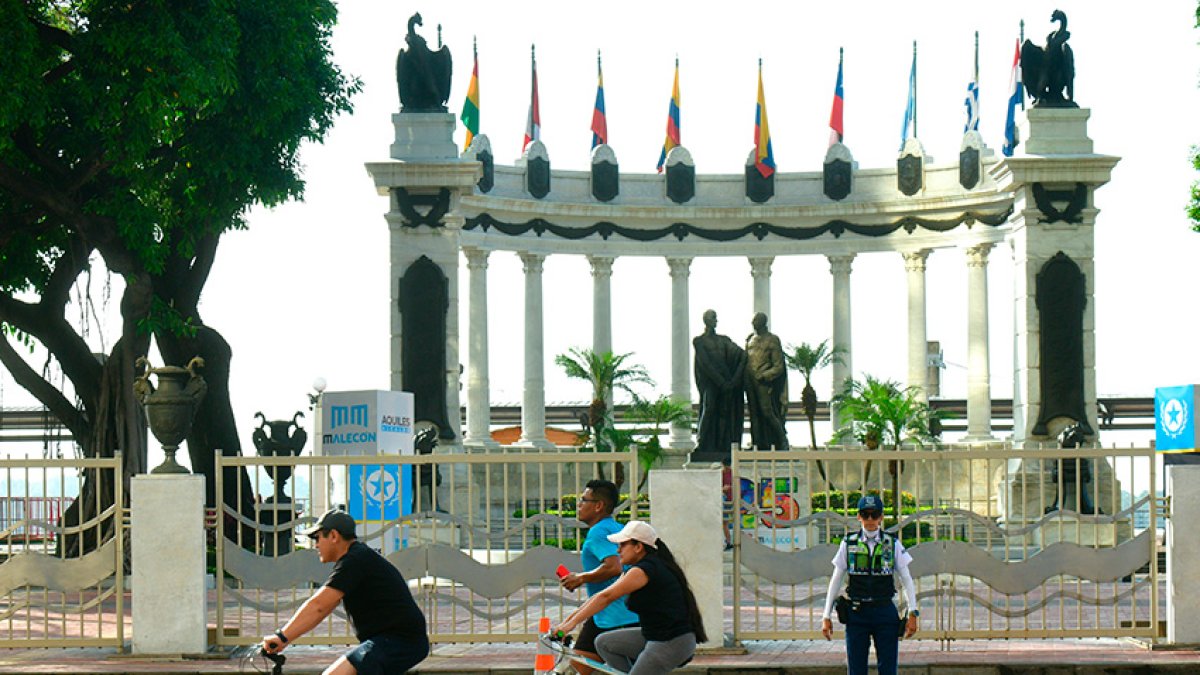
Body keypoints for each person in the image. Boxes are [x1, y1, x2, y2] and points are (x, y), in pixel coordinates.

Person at [261, 509, 429, 675]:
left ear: (334, 536)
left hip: (398, 641)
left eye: (317, 537)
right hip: (394, 641)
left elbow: (318, 605)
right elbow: (324, 608)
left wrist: (282, 637)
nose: (316, 544)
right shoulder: (357, 557)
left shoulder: (355, 561)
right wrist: (286, 639)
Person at [554, 521, 706, 675]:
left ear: (638, 547)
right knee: (604, 643)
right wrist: (565, 624)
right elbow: (600, 596)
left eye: (622, 545)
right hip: (654, 636)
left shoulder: (645, 570)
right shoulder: (636, 569)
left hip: (671, 642)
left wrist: (570, 625)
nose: (618, 550)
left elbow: (607, 597)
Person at [820, 495, 919, 675]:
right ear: (859, 516)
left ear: (881, 517)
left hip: (885, 612)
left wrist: (913, 612)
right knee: (856, 670)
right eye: (866, 514)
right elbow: (836, 579)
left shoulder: (892, 543)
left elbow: (906, 579)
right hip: (857, 614)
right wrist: (826, 616)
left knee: (888, 669)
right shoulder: (848, 543)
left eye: (875, 515)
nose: (870, 520)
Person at [559, 480, 640, 674]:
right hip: (615, 613)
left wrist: (581, 578)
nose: (579, 505)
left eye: (583, 500)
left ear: (598, 506)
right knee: (578, 668)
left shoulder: (598, 532)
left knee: (575, 670)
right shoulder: (617, 528)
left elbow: (613, 566)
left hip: (612, 616)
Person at [692, 309, 746, 461]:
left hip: (727, 383)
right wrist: (721, 382)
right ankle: (702, 443)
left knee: (724, 412)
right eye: (713, 317)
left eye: (716, 317)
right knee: (708, 409)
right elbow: (705, 363)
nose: (716, 320)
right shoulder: (699, 341)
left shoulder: (724, 340)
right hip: (711, 383)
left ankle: (723, 444)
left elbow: (741, 355)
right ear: (706, 320)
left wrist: (734, 380)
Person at [743, 312, 789, 451]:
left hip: (764, 383)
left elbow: (778, 366)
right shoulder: (750, 339)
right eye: (753, 321)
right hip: (750, 382)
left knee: (767, 412)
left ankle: (782, 440)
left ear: (763, 323)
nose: (753, 323)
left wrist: (765, 375)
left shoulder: (772, 340)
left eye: (756, 321)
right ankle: (757, 443)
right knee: (754, 414)